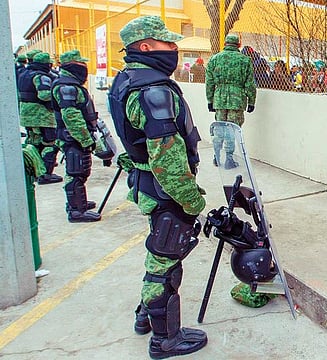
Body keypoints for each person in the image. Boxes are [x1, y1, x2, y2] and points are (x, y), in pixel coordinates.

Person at [108, 15, 207, 359]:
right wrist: (192, 200)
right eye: (168, 43)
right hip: (164, 189)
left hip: (147, 183)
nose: (174, 49)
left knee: (159, 252)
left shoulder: (126, 81)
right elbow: (167, 159)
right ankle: (165, 339)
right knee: (165, 261)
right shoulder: (154, 91)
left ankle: (145, 316)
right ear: (146, 47)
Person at [51, 49, 101, 223]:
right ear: (71, 65)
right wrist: (85, 139)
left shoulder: (71, 84)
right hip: (72, 137)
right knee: (75, 171)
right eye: (81, 64)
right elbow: (71, 117)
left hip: (75, 137)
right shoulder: (66, 87)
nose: (84, 68)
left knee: (81, 170)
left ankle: (79, 203)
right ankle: (75, 211)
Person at [206, 33, 256, 169]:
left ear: (225, 43)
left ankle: (217, 156)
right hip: (237, 99)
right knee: (232, 129)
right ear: (238, 44)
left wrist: (210, 100)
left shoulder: (214, 59)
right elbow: (250, 84)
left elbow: (209, 82)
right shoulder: (245, 60)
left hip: (219, 98)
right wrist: (252, 101)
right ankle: (229, 158)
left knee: (220, 128)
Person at [18, 51, 63, 185]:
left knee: (34, 143)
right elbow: (44, 95)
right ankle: (45, 174)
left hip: (26, 115)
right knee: (50, 143)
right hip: (41, 116)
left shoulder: (24, 74)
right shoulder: (41, 76)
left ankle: (33, 171)